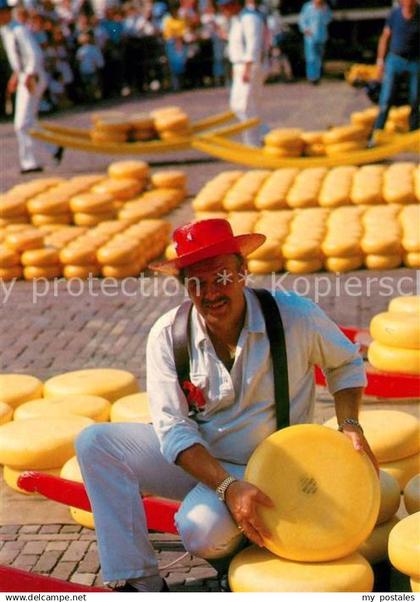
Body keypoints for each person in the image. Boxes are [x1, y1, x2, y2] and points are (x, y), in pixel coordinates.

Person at [76, 218, 377, 593]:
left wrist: (350, 422)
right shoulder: (168, 335)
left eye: (220, 277)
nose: (210, 293)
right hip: (206, 462)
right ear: (184, 287)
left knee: (200, 532)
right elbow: (173, 428)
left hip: (274, 468)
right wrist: (227, 487)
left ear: (243, 273)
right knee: (95, 443)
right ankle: (138, 580)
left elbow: (345, 361)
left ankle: (250, 536)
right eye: (196, 283)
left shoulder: (294, 316)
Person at [0, 0, 63, 174]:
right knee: (28, 121)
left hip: (32, 77)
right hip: (23, 76)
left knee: (22, 123)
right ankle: (53, 148)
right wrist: (15, 75)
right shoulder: (6, 31)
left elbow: (35, 54)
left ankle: (30, 162)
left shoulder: (19, 30)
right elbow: (18, 58)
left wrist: (27, 75)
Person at [218, 0, 268, 146]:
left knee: (245, 106)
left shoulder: (250, 19)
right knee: (238, 106)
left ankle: (255, 142)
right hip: (240, 65)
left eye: (226, 6)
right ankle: (261, 134)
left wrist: (247, 68)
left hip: (249, 66)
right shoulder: (237, 19)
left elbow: (253, 44)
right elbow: (238, 43)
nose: (223, 9)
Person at [370, 0, 419, 139]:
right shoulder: (394, 15)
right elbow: (385, 38)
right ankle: (376, 134)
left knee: (415, 100)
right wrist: (380, 62)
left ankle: (414, 134)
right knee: (386, 99)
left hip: (415, 62)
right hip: (394, 60)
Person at [298, 0, 332, 85]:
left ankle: (317, 76)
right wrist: (305, 29)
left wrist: (322, 10)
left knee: (319, 57)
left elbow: (327, 20)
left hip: (321, 36)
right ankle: (311, 77)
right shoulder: (308, 7)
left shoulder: (325, 7)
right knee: (311, 57)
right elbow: (302, 19)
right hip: (310, 37)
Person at [75, 32, 104, 101]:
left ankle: (94, 96)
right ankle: (93, 97)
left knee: (91, 84)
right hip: (89, 69)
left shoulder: (82, 50)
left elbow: (78, 61)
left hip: (88, 69)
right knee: (92, 84)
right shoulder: (81, 50)